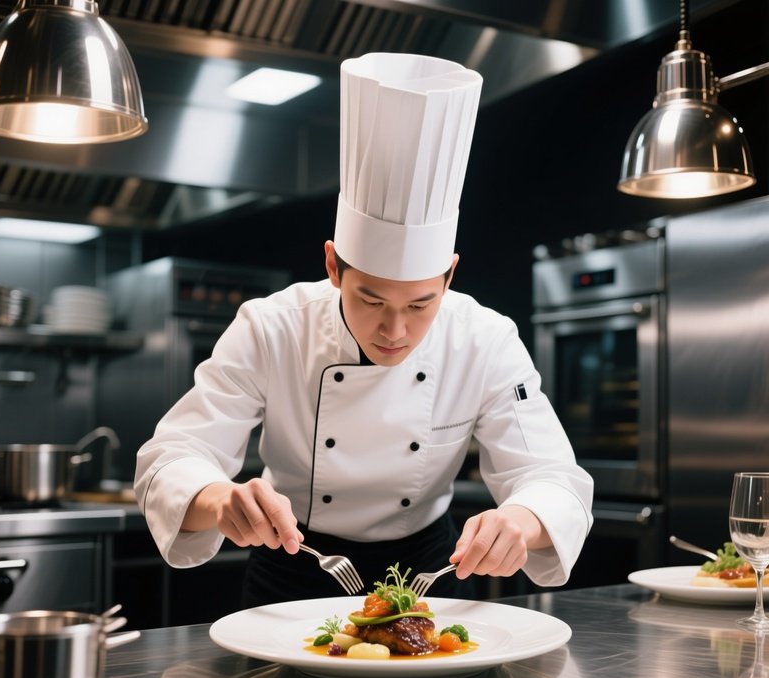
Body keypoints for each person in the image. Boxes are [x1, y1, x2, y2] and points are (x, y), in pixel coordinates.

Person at [135, 52, 593, 608]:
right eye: (371, 298)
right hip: (292, 570)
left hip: (427, 578)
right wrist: (217, 498)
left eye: (421, 303)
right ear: (333, 266)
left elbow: (553, 477)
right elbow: (173, 455)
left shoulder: (485, 339)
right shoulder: (273, 327)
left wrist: (521, 520)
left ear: (449, 275)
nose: (396, 330)